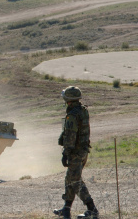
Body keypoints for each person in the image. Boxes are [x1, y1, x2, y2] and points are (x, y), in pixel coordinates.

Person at [54, 86, 99, 219]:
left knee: (75, 181)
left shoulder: (72, 115)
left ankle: (92, 209)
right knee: (70, 179)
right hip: (83, 151)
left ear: (68, 100)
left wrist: (65, 153)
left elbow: (71, 137)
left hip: (75, 153)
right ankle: (66, 209)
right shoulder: (83, 111)